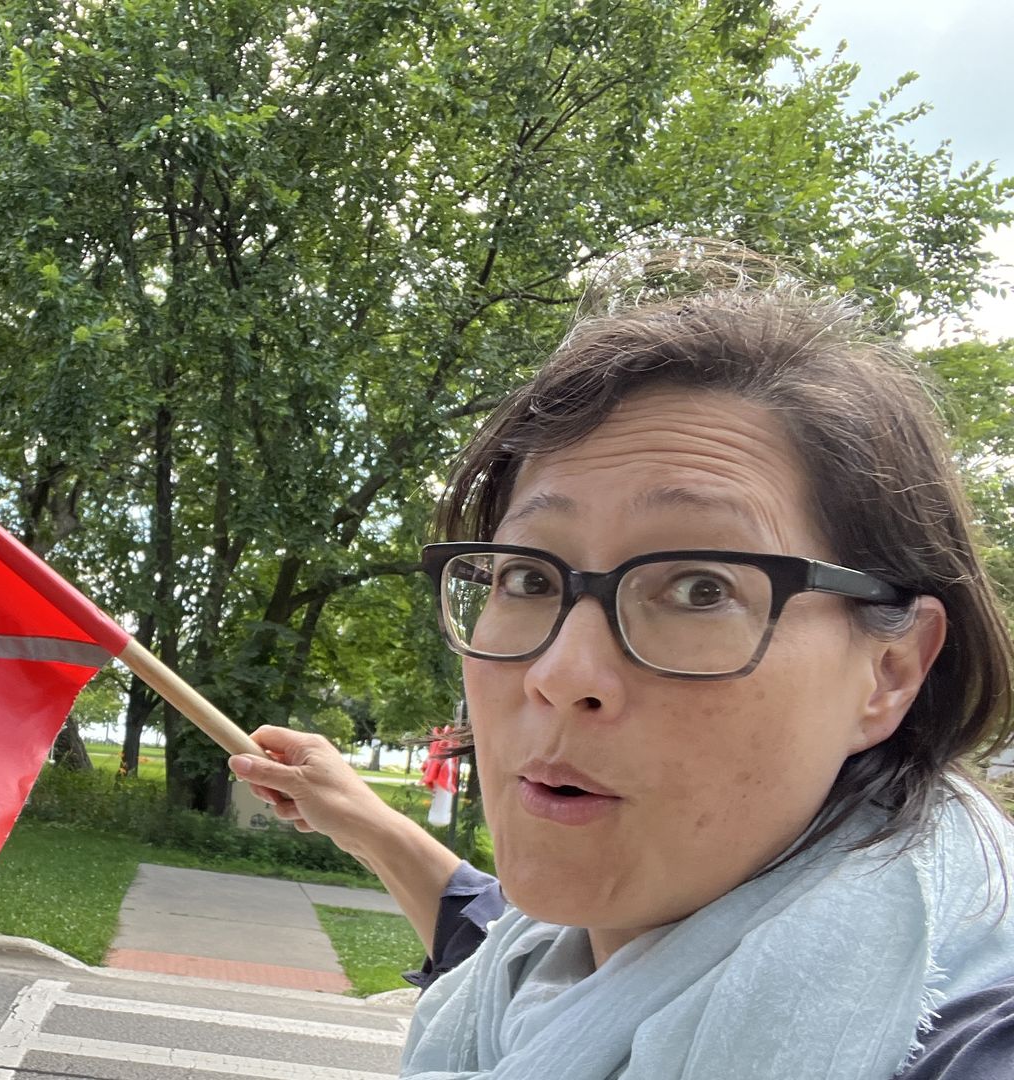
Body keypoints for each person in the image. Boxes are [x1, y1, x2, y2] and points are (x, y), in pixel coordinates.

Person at [231, 267, 1014, 1079]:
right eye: (529, 580)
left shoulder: (969, 1039)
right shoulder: (545, 967)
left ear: (889, 672)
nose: (561, 672)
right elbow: (486, 923)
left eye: (699, 588)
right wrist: (359, 819)